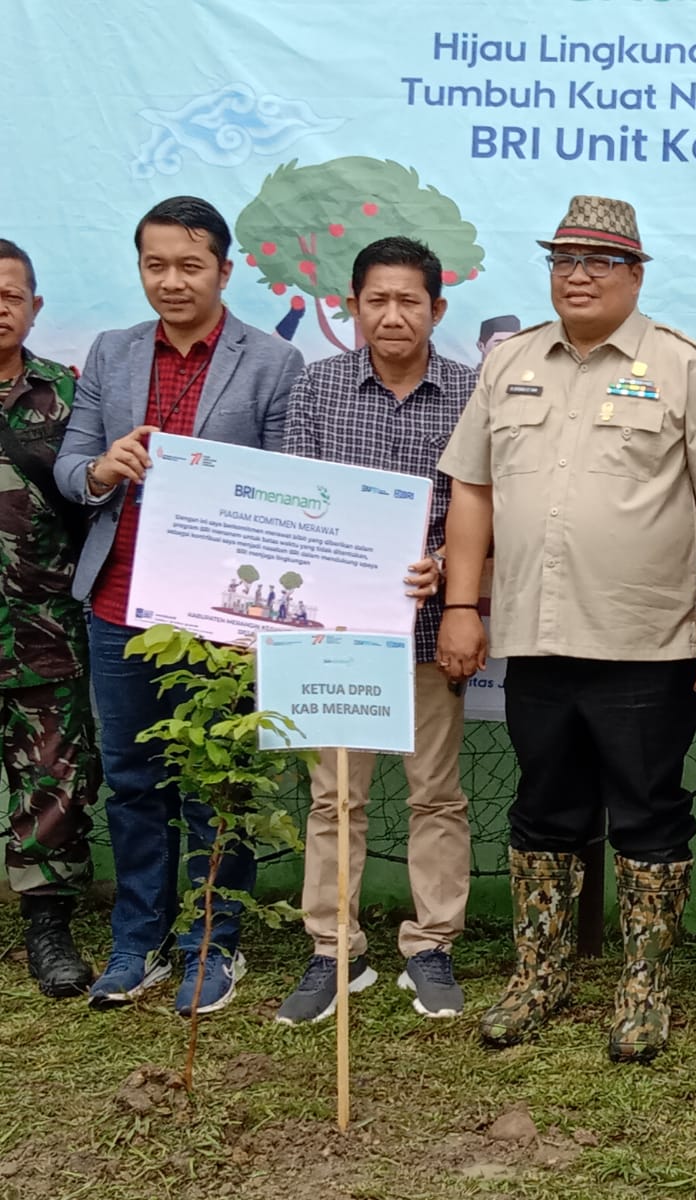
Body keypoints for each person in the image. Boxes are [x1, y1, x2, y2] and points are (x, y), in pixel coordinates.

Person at [436, 195, 696, 1063]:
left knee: (648, 813)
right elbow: (474, 491)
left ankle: (644, 989)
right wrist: (460, 603)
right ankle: (540, 974)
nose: (580, 273)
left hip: (645, 642)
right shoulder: (511, 362)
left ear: (636, 274)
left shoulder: (684, 369)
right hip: (536, 637)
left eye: (601, 260)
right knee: (542, 810)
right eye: (564, 258)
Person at [54, 196, 304, 1016]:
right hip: (119, 603)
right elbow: (70, 465)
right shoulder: (112, 352)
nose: (172, 280)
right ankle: (138, 942)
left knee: (214, 784)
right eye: (155, 265)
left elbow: (288, 492)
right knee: (133, 783)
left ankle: (212, 944)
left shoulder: (270, 362)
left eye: (190, 265)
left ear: (225, 272)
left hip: (217, 616)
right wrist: (101, 471)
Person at [274, 236, 469, 1024]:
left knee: (437, 795)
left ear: (436, 309)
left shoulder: (470, 393)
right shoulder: (316, 390)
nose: (394, 315)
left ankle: (430, 946)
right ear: (352, 307)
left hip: (427, 634)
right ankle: (333, 951)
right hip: (333, 637)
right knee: (334, 800)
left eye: (410, 300)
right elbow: (293, 504)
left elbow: (484, 506)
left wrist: (446, 564)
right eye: (377, 300)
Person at [0, 239, 98, 997]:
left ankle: (47, 922)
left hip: (41, 624)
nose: (0, 306)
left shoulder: (66, 397)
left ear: (35, 306)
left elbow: (96, 494)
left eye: (11, 294)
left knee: (54, 774)